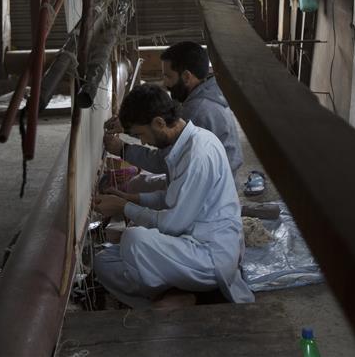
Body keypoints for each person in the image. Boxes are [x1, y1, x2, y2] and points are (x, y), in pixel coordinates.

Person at [93, 84, 254, 308]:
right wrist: (131, 199)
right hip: (189, 242)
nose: (143, 142)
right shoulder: (186, 144)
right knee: (104, 262)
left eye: (141, 134)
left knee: (134, 239)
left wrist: (123, 208)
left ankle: (196, 297)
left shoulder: (198, 154)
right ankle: (174, 297)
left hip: (210, 253)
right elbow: (171, 197)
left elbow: (172, 224)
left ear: (159, 123)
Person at [104, 41, 243, 192]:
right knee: (140, 184)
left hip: (211, 188)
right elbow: (163, 134)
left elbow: (164, 161)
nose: (165, 83)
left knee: (135, 187)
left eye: (168, 77)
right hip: (214, 178)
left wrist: (123, 149)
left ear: (187, 77)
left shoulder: (198, 110)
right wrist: (130, 127)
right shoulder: (208, 94)